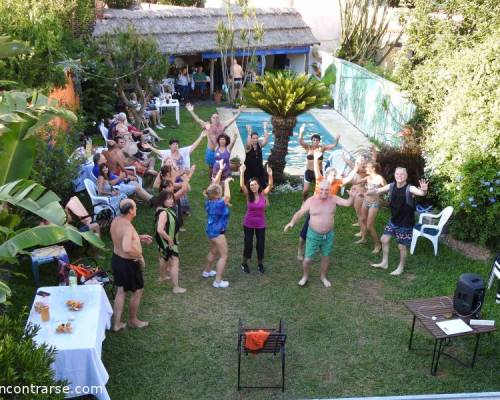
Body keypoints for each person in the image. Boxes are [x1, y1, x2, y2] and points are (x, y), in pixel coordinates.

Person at [284, 180, 354, 287]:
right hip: (313, 235)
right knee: (307, 260)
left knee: (325, 257)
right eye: (322, 189)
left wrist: (352, 196)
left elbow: (347, 203)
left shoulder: (334, 199)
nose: (324, 192)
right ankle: (305, 276)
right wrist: (292, 222)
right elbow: (300, 212)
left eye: (326, 190)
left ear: (330, 190)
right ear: (317, 189)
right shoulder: (311, 201)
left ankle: (323, 277)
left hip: (328, 235)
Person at [297, 149, 359, 260]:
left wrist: (355, 168)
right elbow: (316, 169)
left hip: (327, 212)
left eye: (335, 175)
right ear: (327, 175)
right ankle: (300, 250)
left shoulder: (337, 182)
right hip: (315, 211)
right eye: (332, 175)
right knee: (305, 232)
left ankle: (321, 250)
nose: (334, 176)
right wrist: (316, 158)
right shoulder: (320, 179)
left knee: (325, 231)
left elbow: (348, 178)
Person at [367, 167, 428, 276]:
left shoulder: (410, 188)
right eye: (397, 174)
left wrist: (423, 190)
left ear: (406, 176)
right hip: (394, 220)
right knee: (384, 239)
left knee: (401, 246)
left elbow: (420, 193)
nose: (399, 176)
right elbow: (378, 191)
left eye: (402, 174)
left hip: (405, 223)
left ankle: (401, 267)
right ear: (394, 175)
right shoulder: (391, 186)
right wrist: (369, 192)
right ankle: (384, 263)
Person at [110, 199, 153, 331]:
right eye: (135, 207)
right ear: (130, 210)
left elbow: (121, 236)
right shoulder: (128, 227)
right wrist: (139, 256)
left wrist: (137, 237)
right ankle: (133, 320)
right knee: (138, 290)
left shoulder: (116, 220)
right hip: (128, 263)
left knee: (121, 291)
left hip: (116, 260)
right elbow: (127, 248)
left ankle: (116, 324)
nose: (136, 209)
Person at [185, 103, 242, 177]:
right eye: (214, 117)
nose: (215, 119)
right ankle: (211, 181)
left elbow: (232, 119)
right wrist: (191, 111)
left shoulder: (223, 126)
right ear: (211, 119)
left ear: (219, 119)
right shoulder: (208, 126)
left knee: (221, 167)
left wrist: (239, 112)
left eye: (217, 117)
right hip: (211, 151)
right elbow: (198, 120)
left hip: (220, 150)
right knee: (211, 168)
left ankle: (221, 179)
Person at [153, 183, 191, 294]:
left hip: (164, 240)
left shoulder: (163, 209)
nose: (171, 201)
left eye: (171, 199)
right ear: (162, 200)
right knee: (175, 263)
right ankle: (176, 287)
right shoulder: (164, 212)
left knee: (163, 257)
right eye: (168, 199)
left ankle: (162, 277)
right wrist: (169, 239)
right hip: (168, 241)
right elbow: (160, 229)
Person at [202, 165, 233, 288]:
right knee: (224, 255)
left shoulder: (209, 200)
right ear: (216, 195)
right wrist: (226, 183)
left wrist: (220, 170)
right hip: (218, 232)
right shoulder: (219, 203)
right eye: (219, 191)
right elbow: (227, 197)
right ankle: (218, 281)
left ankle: (207, 271)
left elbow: (213, 187)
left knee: (213, 251)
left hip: (210, 231)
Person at [239, 164, 273, 274]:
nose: (253, 186)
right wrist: (242, 172)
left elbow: (271, 185)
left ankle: (260, 264)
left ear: (259, 185)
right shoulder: (248, 194)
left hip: (260, 224)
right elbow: (242, 185)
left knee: (260, 244)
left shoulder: (263, 194)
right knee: (248, 244)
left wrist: (270, 175)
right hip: (248, 223)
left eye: (255, 184)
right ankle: (244, 263)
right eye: (251, 185)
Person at [298, 123, 340, 202]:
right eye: (314, 140)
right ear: (312, 141)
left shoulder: (322, 148)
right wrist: (301, 132)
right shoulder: (308, 147)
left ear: (319, 141)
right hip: (309, 172)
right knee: (305, 190)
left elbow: (334, 145)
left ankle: (318, 202)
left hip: (318, 173)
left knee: (319, 190)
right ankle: (304, 201)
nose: (315, 141)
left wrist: (337, 139)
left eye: (317, 140)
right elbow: (300, 141)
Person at [354, 161, 386, 253]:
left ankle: (378, 244)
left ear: (373, 169)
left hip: (374, 204)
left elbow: (387, 188)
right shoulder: (368, 177)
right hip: (365, 201)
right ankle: (364, 238)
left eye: (367, 167)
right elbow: (356, 181)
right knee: (363, 219)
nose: (365, 169)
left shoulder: (379, 178)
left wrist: (378, 193)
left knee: (369, 225)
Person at [244, 122, 271, 187]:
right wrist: (249, 132)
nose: (255, 140)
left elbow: (266, 140)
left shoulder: (259, 144)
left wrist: (265, 128)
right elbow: (248, 143)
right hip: (249, 169)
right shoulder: (248, 147)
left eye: (256, 138)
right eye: (253, 138)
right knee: (249, 185)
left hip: (259, 168)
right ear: (251, 138)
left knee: (260, 184)